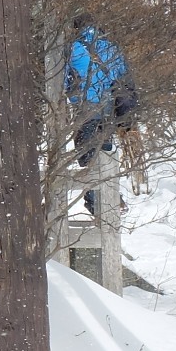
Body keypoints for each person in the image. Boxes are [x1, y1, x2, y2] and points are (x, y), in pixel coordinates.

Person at [64, 12, 134, 216]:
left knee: (87, 158)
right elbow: (124, 80)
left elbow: (62, 81)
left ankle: (98, 204)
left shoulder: (73, 48)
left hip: (85, 109)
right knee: (104, 156)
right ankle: (109, 202)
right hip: (107, 109)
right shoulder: (111, 47)